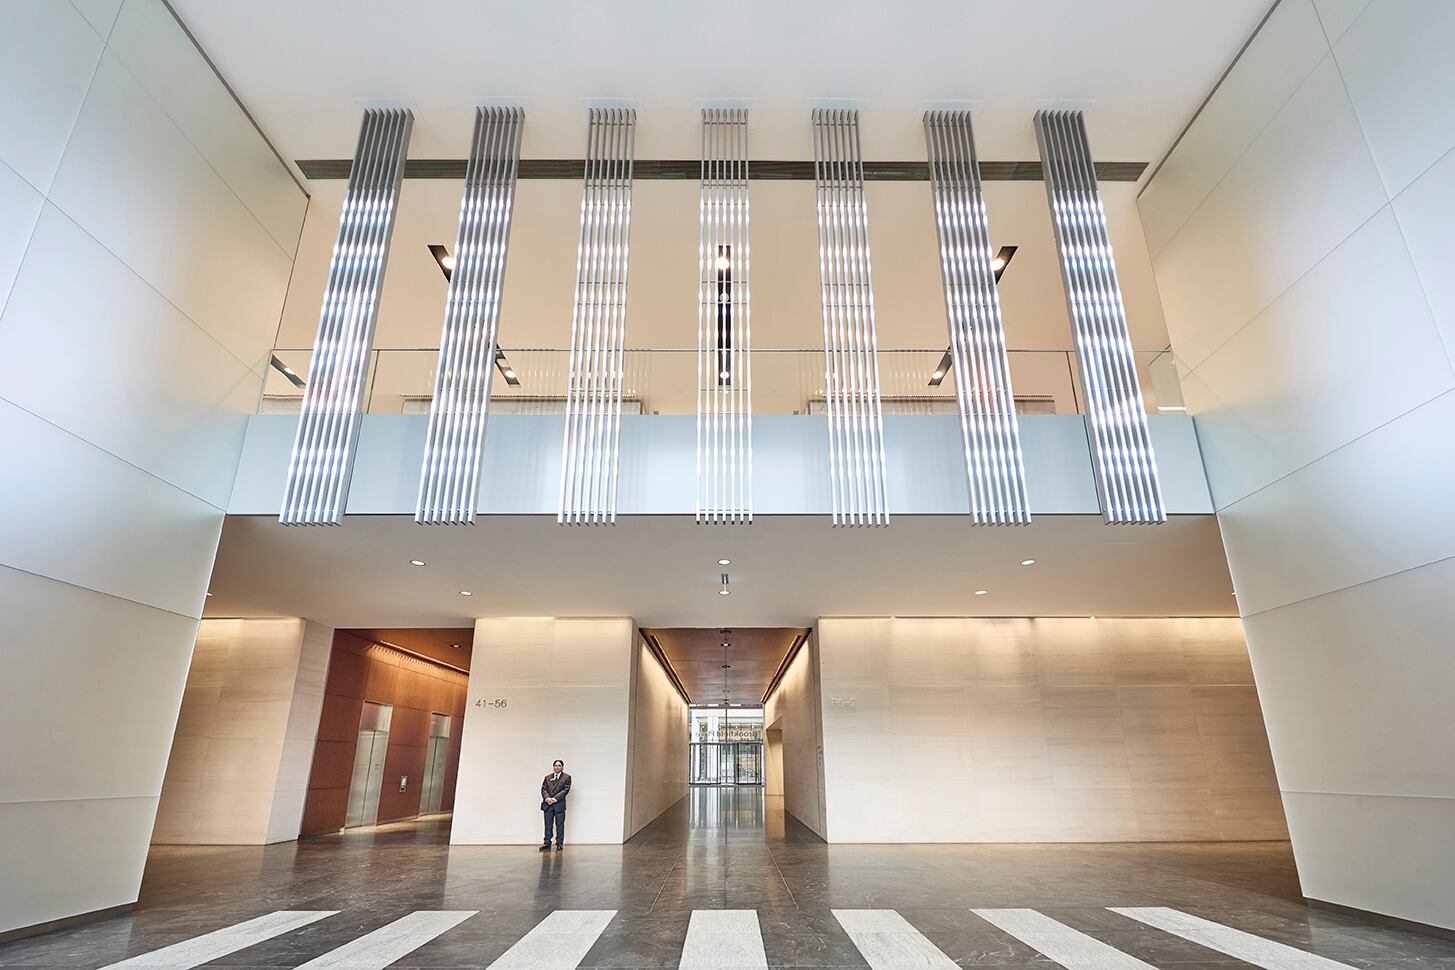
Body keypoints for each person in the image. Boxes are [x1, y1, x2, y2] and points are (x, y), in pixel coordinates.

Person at [539, 759, 571, 851]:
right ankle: (547, 843)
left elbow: (565, 790)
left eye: (559, 765)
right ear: (553, 767)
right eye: (555, 765)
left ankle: (559, 843)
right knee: (548, 825)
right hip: (548, 805)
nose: (557, 767)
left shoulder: (567, 777)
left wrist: (554, 799)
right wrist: (547, 798)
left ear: (562, 767)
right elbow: (543, 789)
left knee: (559, 825)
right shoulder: (547, 777)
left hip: (559, 805)